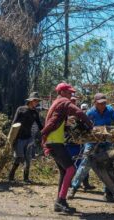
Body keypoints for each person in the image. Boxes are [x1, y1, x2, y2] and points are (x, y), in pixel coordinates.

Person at [41, 82, 93, 214]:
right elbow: (78, 111)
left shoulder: (56, 103)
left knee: (65, 171)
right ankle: (61, 201)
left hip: (53, 141)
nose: (71, 95)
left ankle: (60, 202)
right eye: (69, 92)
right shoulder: (63, 101)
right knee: (71, 169)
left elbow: (59, 122)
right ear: (62, 92)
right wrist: (90, 125)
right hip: (54, 142)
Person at [70, 93, 114, 202]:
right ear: (95, 102)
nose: (103, 105)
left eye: (104, 102)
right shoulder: (90, 112)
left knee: (108, 166)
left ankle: (108, 193)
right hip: (92, 142)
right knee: (85, 164)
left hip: (106, 142)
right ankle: (74, 188)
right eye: (101, 103)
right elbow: (83, 126)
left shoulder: (109, 110)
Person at [8, 92, 43, 183]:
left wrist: (45, 132)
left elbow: (40, 125)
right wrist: (11, 137)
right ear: (30, 100)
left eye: (37, 100)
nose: (36, 102)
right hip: (19, 137)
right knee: (19, 158)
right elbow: (14, 123)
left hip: (29, 137)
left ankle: (26, 178)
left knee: (28, 158)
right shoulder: (21, 109)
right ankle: (11, 176)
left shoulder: (35, 112)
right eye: (35, 100)